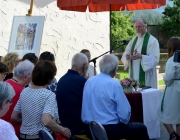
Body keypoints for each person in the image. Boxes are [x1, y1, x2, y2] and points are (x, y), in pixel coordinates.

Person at [82, 54, 149, 140]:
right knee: (141, 128)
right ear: (114, 69)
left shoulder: (89, 81)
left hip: (89, 128)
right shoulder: (114, 84)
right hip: (107, 130)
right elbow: (124, 115)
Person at [11, 60, 71, 140]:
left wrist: (29, 124)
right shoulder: (49, 95)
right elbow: (46, 121)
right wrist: (63, 130)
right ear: (50, 78)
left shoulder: (24, 91)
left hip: (23, 136)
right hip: (40, 137)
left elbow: (14, 117)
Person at [121, 18, 160, 88]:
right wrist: (127, 57)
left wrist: (141, 57)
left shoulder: (152, 41)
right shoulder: (134, 40)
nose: (137, 29)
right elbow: (127, 51)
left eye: (139, 27)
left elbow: (155, 59)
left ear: (145, 27)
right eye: (136, 27)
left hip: (146, 74)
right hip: (134, 71)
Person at [56, 53, 88, 135]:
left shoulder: (62, 79)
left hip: (63, 124)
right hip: (77, 127)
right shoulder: (81, 81)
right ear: (85, 66)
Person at [1, 60, 34, 137]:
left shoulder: (4, 84)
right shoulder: (23, 92)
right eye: (31, 78)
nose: (31, 80)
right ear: (25, 77)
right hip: (13, 132)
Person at [157, 37, 180, 140]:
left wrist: (164, 78)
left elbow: (169, 78)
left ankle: (173, 135)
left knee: (163, 113)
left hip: (173, 90)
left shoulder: (172, 60)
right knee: (179, 115)